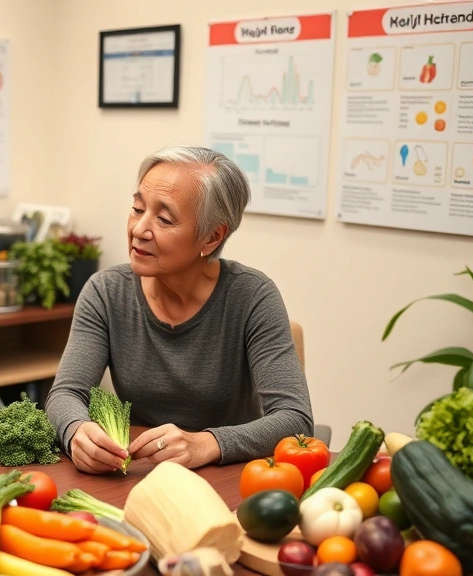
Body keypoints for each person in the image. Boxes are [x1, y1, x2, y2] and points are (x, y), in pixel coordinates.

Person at [46, 145, 313, 475]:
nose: (139, 229)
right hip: (140, 473)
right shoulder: (105, 292)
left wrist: (205, 444)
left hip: (234, 479)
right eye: (137, 208)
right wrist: (75, 432)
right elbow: (66, 393)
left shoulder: (252, 297)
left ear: (212, 238)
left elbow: (295, 419)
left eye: (164, 219)